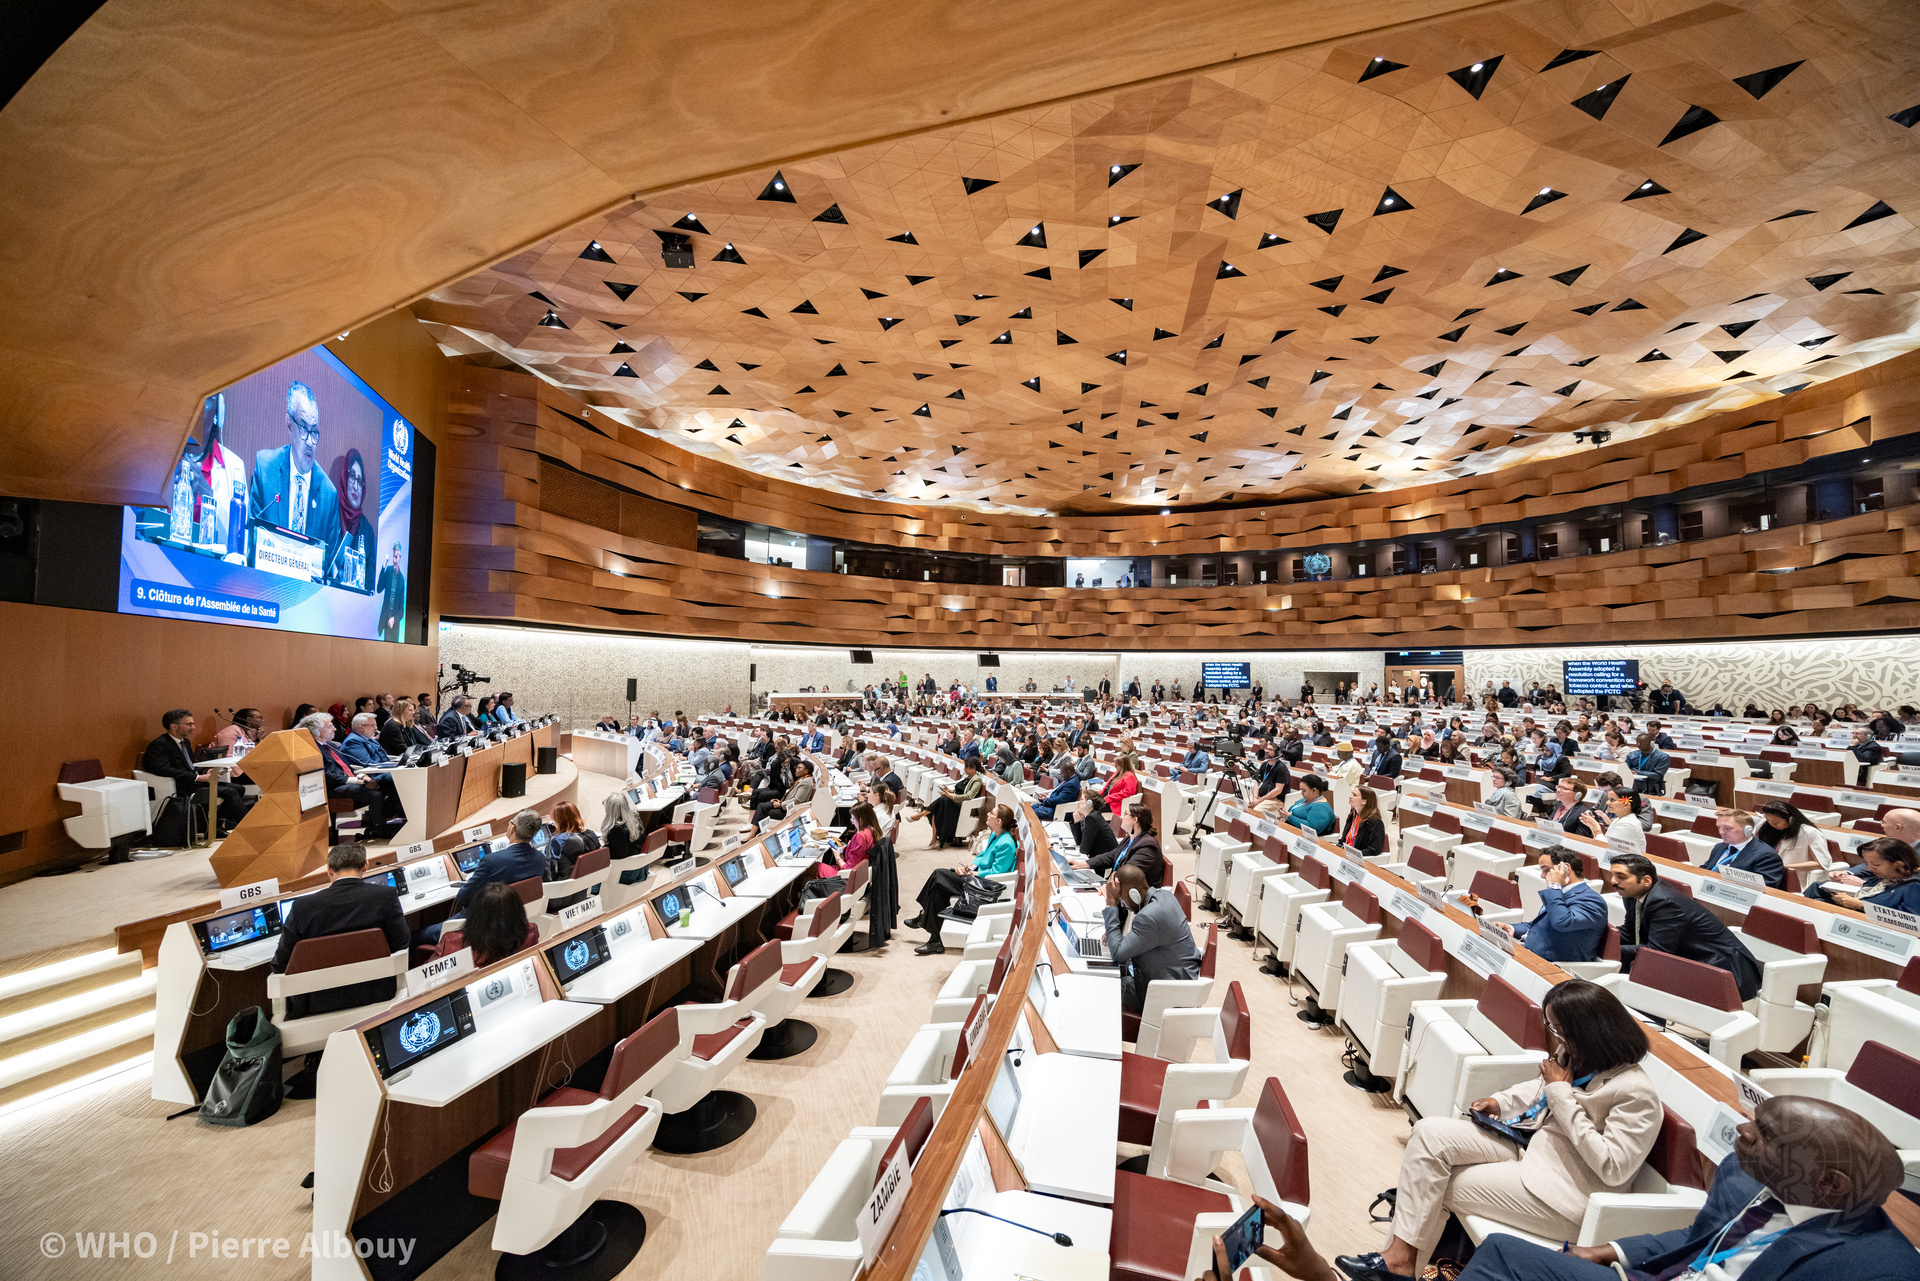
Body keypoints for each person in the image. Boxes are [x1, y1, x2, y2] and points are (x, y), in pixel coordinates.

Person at [1338, 980, 1659, 1281]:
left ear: (1589, 1032)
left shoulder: (1636, 1092)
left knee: (1436, 1188)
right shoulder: (1576, 1054)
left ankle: (1396, 1266)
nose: (1555, 1037)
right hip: (1530, 1146)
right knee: (1428, 1133)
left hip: (1563, 1194)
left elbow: (1612, 1168)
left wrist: (1560, 1095)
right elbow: (1539, 1086)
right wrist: (1500, 1102)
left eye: (1558, 1029)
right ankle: (1397, 1262)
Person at [1454, 1095, 1917, 1281]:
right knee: (1502, 1253)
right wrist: (1611, 1250)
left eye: (1770, 1135)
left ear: (1829, 1184)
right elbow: (1700, 1236)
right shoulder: (1744, 1174)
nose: (1742, 1131)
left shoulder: (1879, 1268)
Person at [271, 842, 408, 1019]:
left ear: (328, 870)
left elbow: (280, 963)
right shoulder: (385, 896)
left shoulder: (302, 907)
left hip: (316, 1003)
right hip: (377, 994)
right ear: (365, 865)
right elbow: (401, 942)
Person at [1611, 854, 1763, 1000]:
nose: (1613, 881)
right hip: (1690, 960)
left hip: (1724, 970)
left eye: (1621, 877)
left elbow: (1656, 952)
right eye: (1612, 875)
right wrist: (1603, 936)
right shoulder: (1633, 895)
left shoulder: (1665, 903)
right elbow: (1630, 932)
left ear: (1646, 881)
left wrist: (1611, 949)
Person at [246, 380, 343, 561]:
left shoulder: (328, 495)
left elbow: (330, 565)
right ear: (289, 424)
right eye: (303, 428)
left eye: (314, 431)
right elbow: (251, 538)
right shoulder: (266, 468)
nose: (309, 442)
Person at [907, 804, 1018, 955]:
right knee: (939, 888)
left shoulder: (1006, 844)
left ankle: (925, 917)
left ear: (998, 821)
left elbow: (996, 874)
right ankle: (935, 939)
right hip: (977, 877)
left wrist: (973, 874)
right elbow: (981, 857)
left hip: (984, 886)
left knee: (938, 875)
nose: (988, 815)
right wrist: (970, 868)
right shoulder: (995, 835)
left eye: (991, 814)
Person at [1101, 863, 1201, 1011]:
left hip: (1168, 990)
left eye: (1121, 900)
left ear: (1134, 894)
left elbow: (1117, 953)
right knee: (1111, 973)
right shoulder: (1163, 896)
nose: (1122, 904)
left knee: (1105, 986)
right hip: (1175, 975)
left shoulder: (1149, 917)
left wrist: (1111, 904)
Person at [142, 708, 249, 833]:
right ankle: (247, 826)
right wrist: (196, 778)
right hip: (181, 786)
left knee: (239, 788)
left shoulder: (185, 742)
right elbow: (163, 769)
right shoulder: (159, 745)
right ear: (173, 726)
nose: (193, 727)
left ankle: (216, 824)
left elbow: (191, 765)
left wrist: (205, 772)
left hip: (194, 781)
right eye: (189, 724)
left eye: (193, 723)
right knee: (229, 792)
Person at [302, 711, 405, 839]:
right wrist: (355, 780)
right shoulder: (312, 749)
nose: (334, 729)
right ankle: (380, 830)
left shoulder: (330, 745)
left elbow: (347, 767)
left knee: (385, 784)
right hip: (332, 787)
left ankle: (383, 822)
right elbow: (326, 775)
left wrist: (362, 777)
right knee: (375, 794)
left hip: (346, 781)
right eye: (329, 727)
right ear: (316, 731)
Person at [1501, 847, 1607, 963]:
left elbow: (1562, 922)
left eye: (1546, 870)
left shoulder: (1592, 901)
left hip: (1554, 967)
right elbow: (1538, 926)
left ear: (1566, 868)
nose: (1542, 875)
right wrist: (1511, 928)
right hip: (1531, 956)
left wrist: (1554, 886)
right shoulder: (1558, 893)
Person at [428, 882, 538, 967]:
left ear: (474, 912)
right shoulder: (531, 932)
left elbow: (427, 980)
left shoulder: (451, 941)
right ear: (518, 911)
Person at [1807, 837, 1920, 914]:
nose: (1870, 868)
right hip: (1854, 914)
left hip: (1871, 930)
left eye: (1876, 864)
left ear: (1898, 864)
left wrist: (1861, 906)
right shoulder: (1881, 878)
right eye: (1867, 863)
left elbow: (1910, 922)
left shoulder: (1913, 887)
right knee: (1817, 888)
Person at [807, 801, 885, 904]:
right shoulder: (873, 831)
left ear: (861, 819)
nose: (852, 822)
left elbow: (848, 869)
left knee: (812, 867)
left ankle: (806, 901)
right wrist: (846, 849)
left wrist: (837, 857)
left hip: (846, 878)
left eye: (853, 819)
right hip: (858, 876)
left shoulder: (861, 836)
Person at [1702, 808, 1787, 887]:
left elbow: (1765, 888)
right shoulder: (1719, 847)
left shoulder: (1767, 856)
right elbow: (1705, 869)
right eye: (1719, 827)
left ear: (1748, 830)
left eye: (1727, 828)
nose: (1721, 832)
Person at [327, 447, 373, 590]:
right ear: (344, 479)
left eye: (360, 481)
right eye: (352, 476)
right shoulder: (330, 515)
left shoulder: (367, 530)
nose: (355, 486)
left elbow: (369, 584)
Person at [1752, 800, 1834, 879]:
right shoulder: (1764, 826)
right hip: (1764, 872)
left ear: (1790, 819)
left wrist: (1784, 867)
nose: (1771, 824)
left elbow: (1822, 863)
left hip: (1793, 878)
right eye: (1768, 820)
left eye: (1776, 822)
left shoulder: (1809, 832)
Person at [926, 756, 985, 848]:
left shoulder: (977, 780)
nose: (964, 769)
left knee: (943, 801)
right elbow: (960, 790)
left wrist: (952, 796)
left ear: (973, 768)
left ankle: (924, 813)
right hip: (958, 803)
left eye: (966, 767)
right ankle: (934, 837)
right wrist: (950, 791)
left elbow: (969, 796)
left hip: (965, 807)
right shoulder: (967, 777)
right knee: (940, 805)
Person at [1577, 785, 1647, 854]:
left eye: (1612, 800)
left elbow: (1608, 847)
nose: (1607, 803)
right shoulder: (1619, 819)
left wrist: (1596, 829)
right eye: (1608, 799)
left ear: (1626, 805)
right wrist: (1591, 826)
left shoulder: (1628, 824)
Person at [754, 759, 814, 827]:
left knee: (764, 811)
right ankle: (754, 832)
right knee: (761, 806)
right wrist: (781, 801)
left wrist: (780, 805)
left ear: (807, 770)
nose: (796, 769)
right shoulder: (802, 779)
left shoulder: (806, 782)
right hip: (785, 804)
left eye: (799, 768)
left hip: (790, 810)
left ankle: (755, 833)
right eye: (796, 767)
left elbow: (797, 801)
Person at [1338, 788, 1386, 857]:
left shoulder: (1375, 822)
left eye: (1354, 795)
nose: (1350, 796)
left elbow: (1374, 850)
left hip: (1357, 858)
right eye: (1351, 793)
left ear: (1364, 801)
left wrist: (1352, 853)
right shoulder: (1353, 815)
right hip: (1345, 853)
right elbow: (1343, 839)